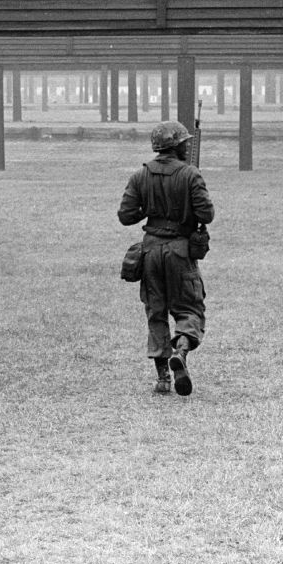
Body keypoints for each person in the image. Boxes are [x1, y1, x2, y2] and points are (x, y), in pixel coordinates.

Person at [117, 121, 214, 396]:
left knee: (156, 312)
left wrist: (149, 210)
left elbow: (126, 216)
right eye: (185, 142)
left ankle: (162, 379)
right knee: (189, 309)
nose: (187, 146)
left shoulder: (140, 175)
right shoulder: (190, 174)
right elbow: (207, 215)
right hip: (180, 252)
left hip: (150, 252)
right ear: (178, 146)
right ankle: (181, 353)